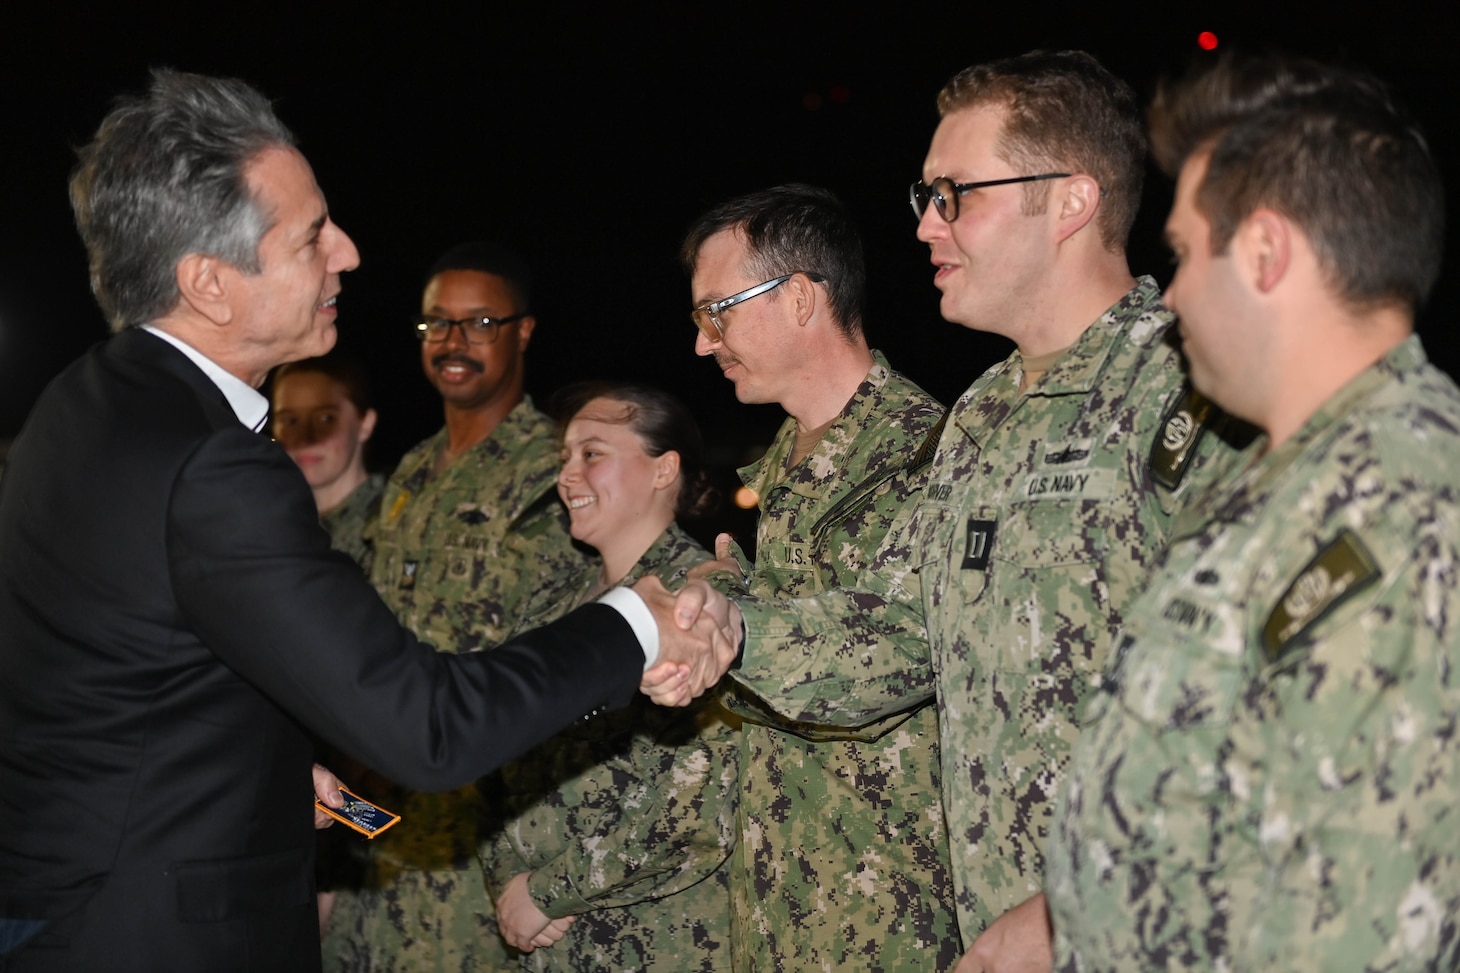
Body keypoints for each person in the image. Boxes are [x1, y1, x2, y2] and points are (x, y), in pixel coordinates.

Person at [0, 69, 729, 973]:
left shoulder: (77, 409)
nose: (347, 252)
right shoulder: (212, 462)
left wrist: (258, 774)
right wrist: (638, 619)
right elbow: (426, 727)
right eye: (311, 236)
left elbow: (125, 679)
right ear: (211, 284)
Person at [651, 50, 1236, 970]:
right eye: (924, 196)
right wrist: (734, 630)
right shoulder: (982, 416)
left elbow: (1259, 693)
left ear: (1072, 201)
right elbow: (903, 632)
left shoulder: (1196, 389)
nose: (926, 226)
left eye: (955, 194)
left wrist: (1084, 898)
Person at [1045, 53, 1460, 971]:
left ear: (1267, 253)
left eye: (1187, 253)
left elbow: (1353, 926)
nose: (1172, 296)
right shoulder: (1287, 476)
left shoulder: (1400, 505)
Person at [680, 184, 960, 969]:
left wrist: (734, 630)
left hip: (881, 922)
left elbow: (903, 647)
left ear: (800, 298)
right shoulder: (779, 467)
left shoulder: (923, 454)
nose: (704, 342)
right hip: (775, 911)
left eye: (718, 311)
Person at [323, 242, 588, 972]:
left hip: (478, 852)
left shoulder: (556, 470)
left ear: (523, 332)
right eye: (436, 324)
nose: (452, 342)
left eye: (478, 322)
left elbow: (526, 658)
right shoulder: (410, 473)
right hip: (377, 844)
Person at [482, 382, 738, 971]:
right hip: (541, 942)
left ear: (662, 469)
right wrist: (508, 883)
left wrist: (546, 893)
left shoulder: (701, 602)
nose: (567, 476)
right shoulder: (552, 604)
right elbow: (496, 750)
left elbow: (699, 802)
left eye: (591, 454)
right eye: (564, 458)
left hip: (655, 943)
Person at [271, 354, 384, 567]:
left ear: (365, 424)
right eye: (290, 421)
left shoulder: (400, 523)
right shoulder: (264, 524)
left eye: (326, 419)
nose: (306, 439)